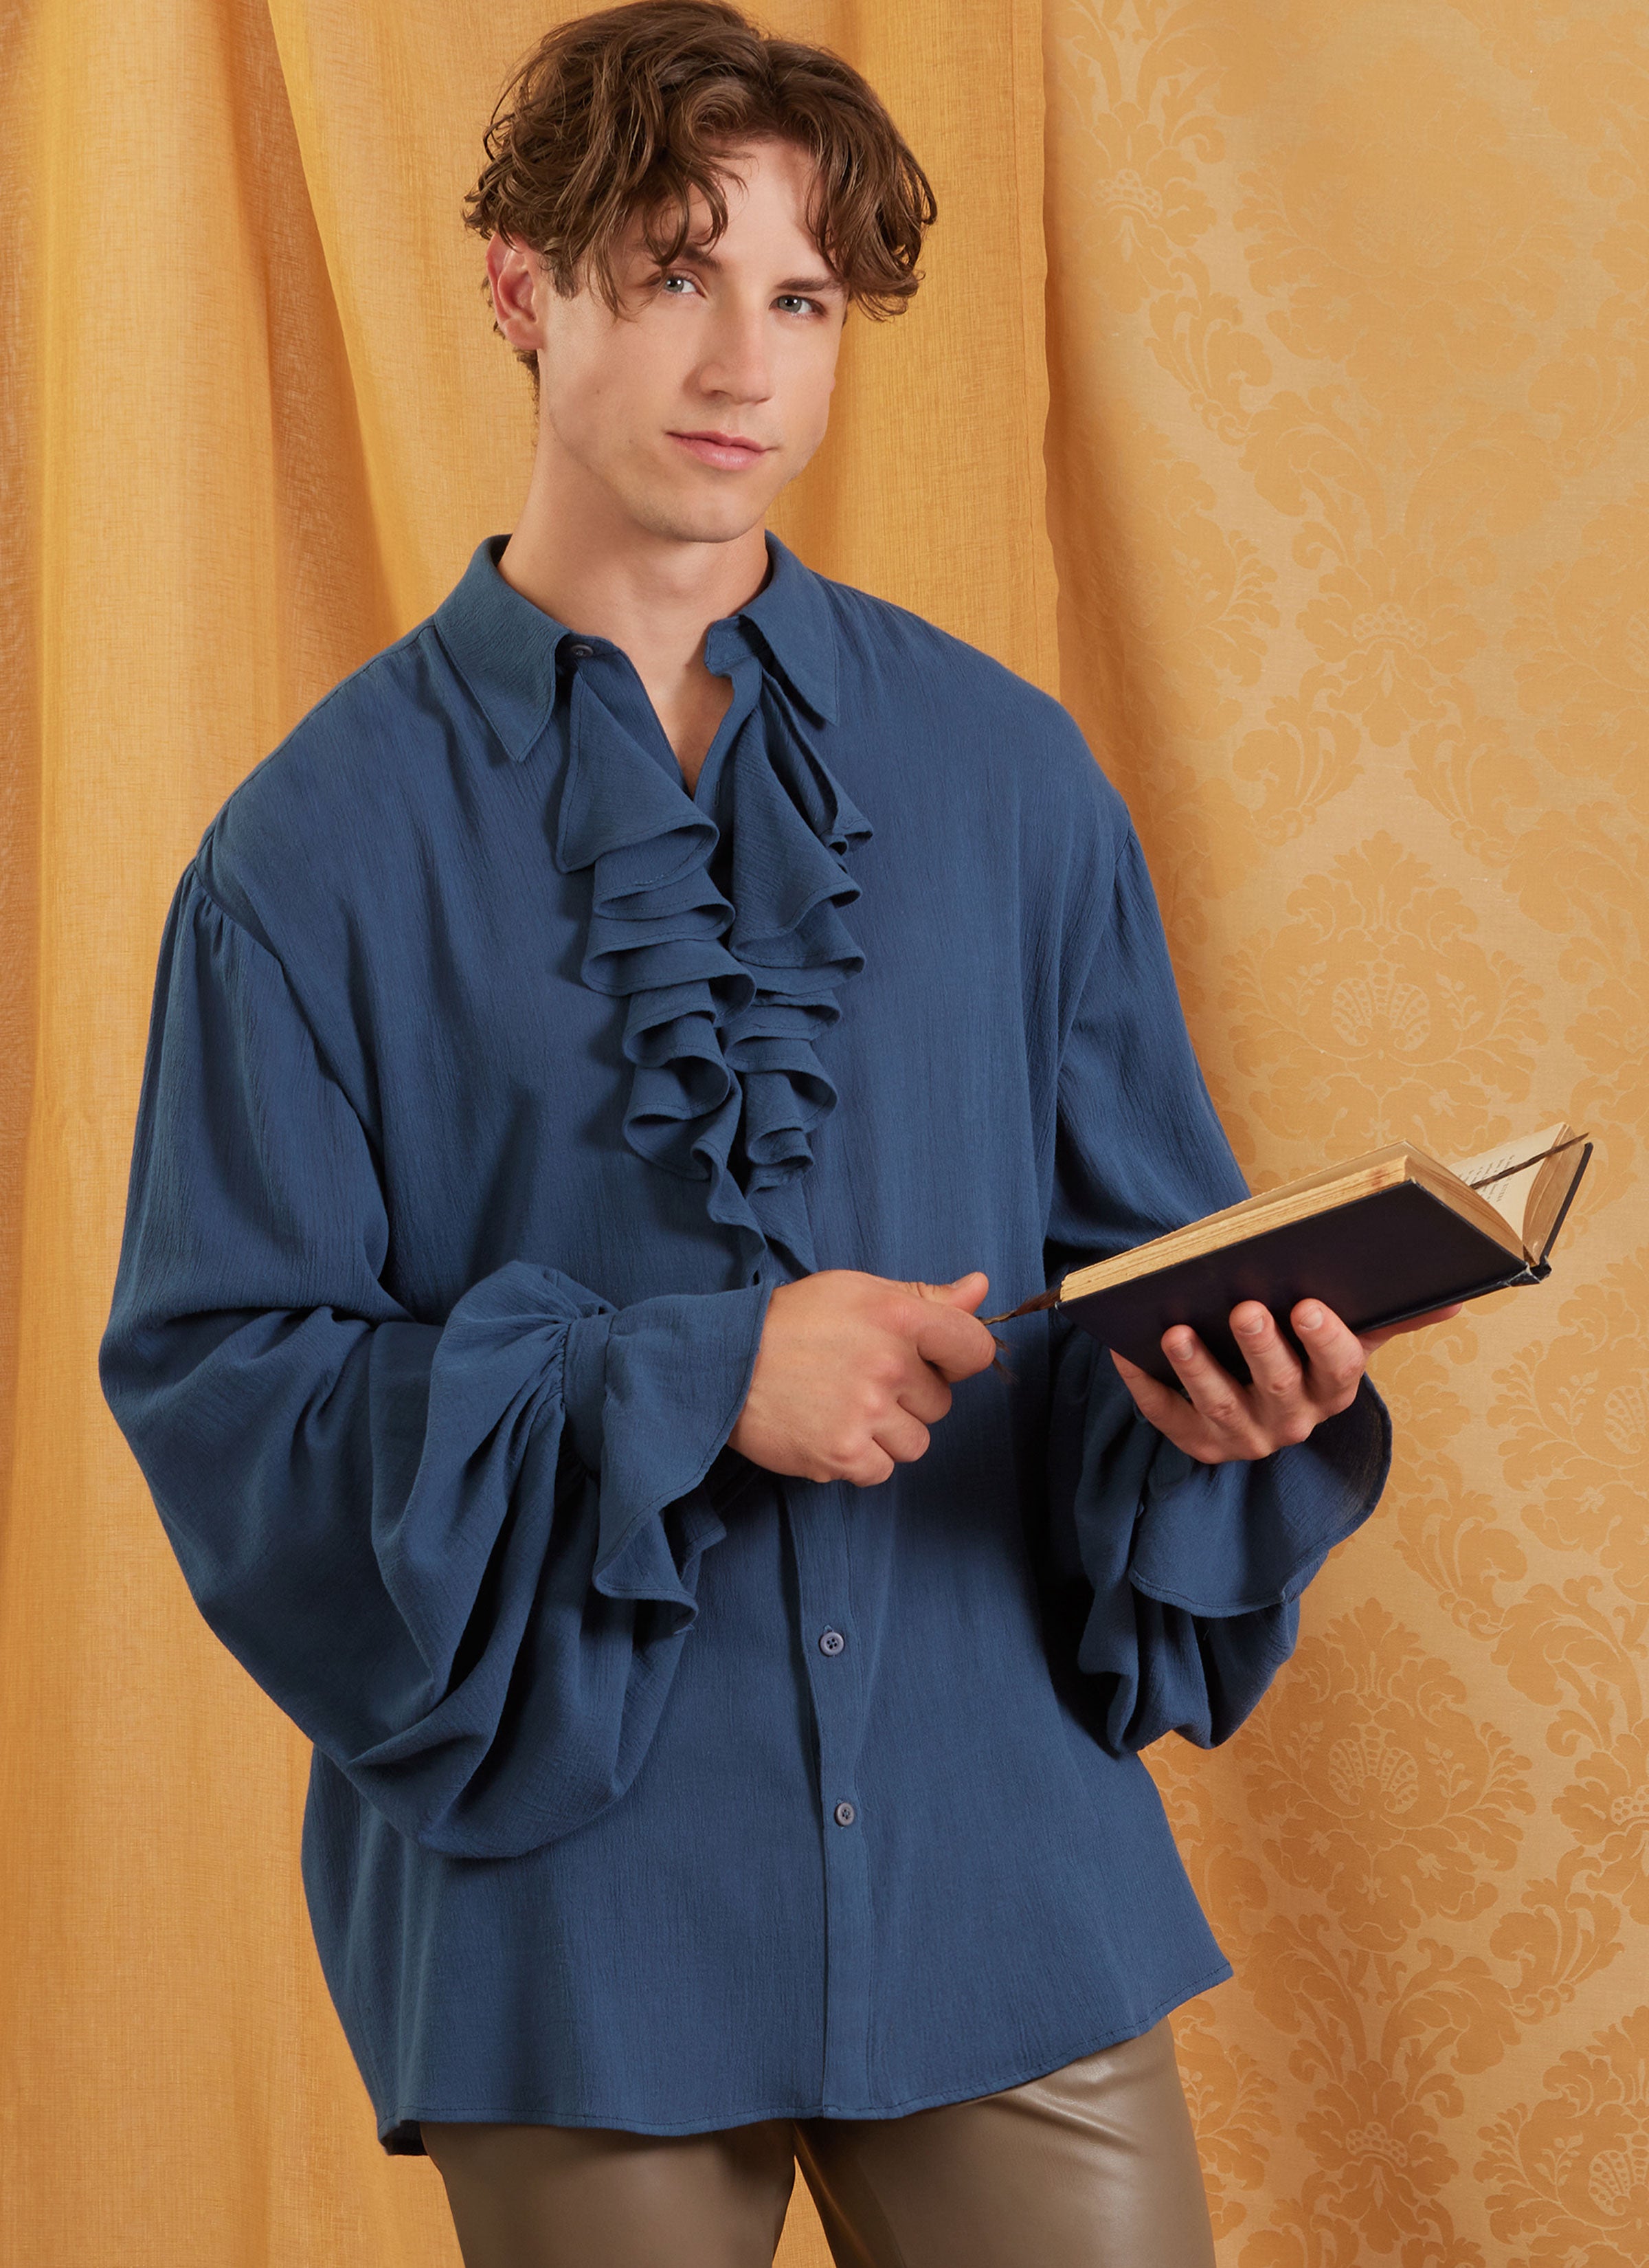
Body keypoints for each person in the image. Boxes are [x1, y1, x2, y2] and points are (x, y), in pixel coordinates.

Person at [97, 5, 1461, 2263]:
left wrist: (1226, 1406)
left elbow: (1124, 1280)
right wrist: (697, 1374)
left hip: (1000, 1857)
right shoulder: (305, 855)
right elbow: (228, 1389)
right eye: (674, 273)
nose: (746, 361)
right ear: (524, 289)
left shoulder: (1010, 781)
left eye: (804, 297)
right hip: (571, 1906)